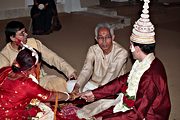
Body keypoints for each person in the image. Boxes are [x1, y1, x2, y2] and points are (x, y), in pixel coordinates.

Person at [77, 0, 171, 119]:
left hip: (149, 116)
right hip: (136, 107)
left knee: (101, 116)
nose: (129, 48)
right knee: (95, 113)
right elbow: (122, 81)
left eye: (131, 45)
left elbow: (137, 114)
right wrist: (94, 94)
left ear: (137, 49)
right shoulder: (144, 63)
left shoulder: (150, 77)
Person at [0, 47, 79, 119]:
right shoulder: (26, 84)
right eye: (37, 67)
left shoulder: (6, 70)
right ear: (31, 67)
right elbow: (50, 96)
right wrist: (71, 96)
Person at [0, 21, 77, 94]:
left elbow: (52, 57)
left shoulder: (33, 43)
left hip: (40, 79)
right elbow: (6, 80)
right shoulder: (4, 55)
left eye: (25, 31)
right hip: (22, 86)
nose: (26, 34)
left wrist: (69, 71)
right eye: (22, 34)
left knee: (59, 83)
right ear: (13, 38)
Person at [70, 22, 129, 93]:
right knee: (70, 85)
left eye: (107, 37)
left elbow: (112, 72)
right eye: (100, 38)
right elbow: (87, 70)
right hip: (94, 84)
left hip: (112, 88)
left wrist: (97, 93)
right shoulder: (93, 50)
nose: (104, 41)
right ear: (96, 39)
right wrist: (77, 87)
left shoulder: (122, 52)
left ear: (113, 37)